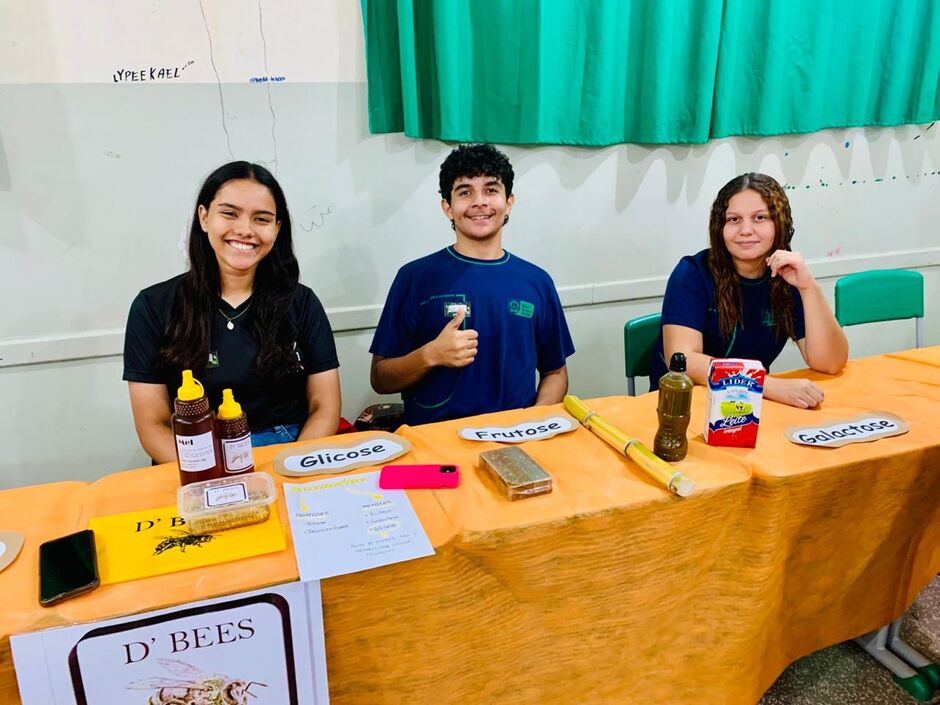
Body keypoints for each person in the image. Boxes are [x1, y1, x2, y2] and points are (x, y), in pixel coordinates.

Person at [123, 161, 341, 462]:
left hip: (286, 449)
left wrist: (293, 466)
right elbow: (152, 425)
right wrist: (210, 475)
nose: (244, 230)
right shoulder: (153, 305)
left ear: (276, 229)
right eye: (229, 213)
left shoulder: (301, 303)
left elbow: (325, 407)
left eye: (261, 219)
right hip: (193, 458)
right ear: (204, 217)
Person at [369, 143, 575, 425]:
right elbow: (381, 378)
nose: (480, 201)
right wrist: (430, 355)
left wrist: (534, 421)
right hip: (437, 442)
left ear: (509, 202)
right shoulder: (415, 277)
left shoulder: (536, 282)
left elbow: (555, 373)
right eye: (465, 192)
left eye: (491, 190)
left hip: (516, 438)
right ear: (448, 208)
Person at [649, 172, 847, 408]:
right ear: (719, 226)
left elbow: (831, 363)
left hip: (748, 404)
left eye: (760, 218)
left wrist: (809, 287)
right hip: (686, 405)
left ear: (780, 223)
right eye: (734, 219)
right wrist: (766, 384)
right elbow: (683, 360)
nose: (745, 230)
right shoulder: (691, 273)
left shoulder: (787, 276)